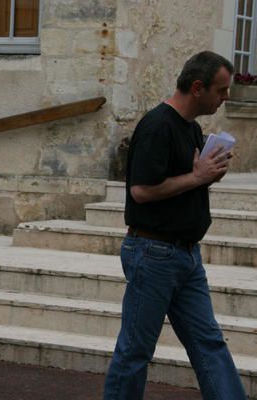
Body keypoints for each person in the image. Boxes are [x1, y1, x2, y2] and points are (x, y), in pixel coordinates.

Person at [103, 51, 246, 399]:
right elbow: (141, 191)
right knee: (136, 350)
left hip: (184, 254)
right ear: (198, 88)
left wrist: (205, 175)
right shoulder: (157, 126)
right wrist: (197, 176)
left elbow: (184, 183)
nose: (225, 98)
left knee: (209, 342)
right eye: (221, 91)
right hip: (153, 253)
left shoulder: (192, 129)